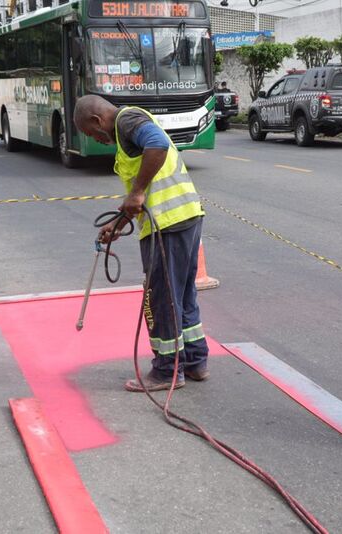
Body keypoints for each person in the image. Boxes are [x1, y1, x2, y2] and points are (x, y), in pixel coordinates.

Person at [73, 95, 209, 392]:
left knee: (161, 299)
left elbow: (157, 144)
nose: (97, 140)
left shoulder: (127, 121)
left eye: (91, 134)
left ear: (97, 121)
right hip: (184, 216)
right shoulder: (127, 131)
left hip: (167, 225)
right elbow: (140, 198)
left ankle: (166, 371)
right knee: (183, 295)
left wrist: (136, 192)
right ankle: (195, 361)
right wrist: (118, 224)